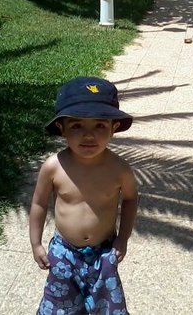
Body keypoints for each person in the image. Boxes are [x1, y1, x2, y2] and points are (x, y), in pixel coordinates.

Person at [30, 76, 139, 315]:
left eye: (99, 125)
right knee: (59, 307)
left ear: (114, 127)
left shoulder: (119, 169)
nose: (88, 136)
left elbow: (131, 199)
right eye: (77, 126)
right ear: (62, 127)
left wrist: (122, 239)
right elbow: (39, 203)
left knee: (107, 307)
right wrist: (36, 243)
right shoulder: (54, 167)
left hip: (104, 253)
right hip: (64, 252)